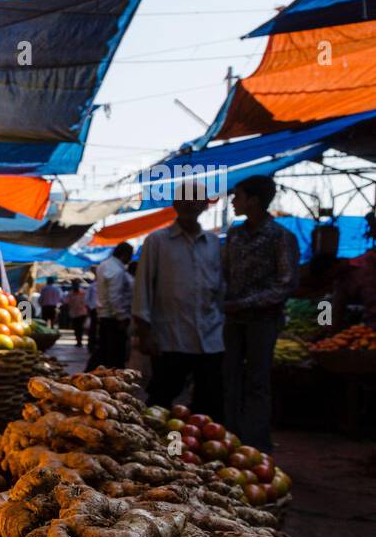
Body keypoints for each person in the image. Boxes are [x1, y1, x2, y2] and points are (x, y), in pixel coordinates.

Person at [222, 176, 300, 452]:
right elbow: (225, 273)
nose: (232, 201)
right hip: (232, 320)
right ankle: (228, 440)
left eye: (238, 196)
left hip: (264, 320)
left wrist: (245, 303)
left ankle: (255, 446)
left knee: (257, 381)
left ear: (253, 201)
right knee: (229, 379)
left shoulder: (281, 236)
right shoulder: (234, 234)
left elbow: (287, 283)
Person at [132, 193, 225, 420]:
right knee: (161, 401)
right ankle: (156, 450)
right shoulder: (157, 241)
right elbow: (143, 287)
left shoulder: (213, 243)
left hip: (209, 339)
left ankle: (201, 452)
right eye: (184, 198)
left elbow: (220, 287)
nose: (190, 203)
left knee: (208, 403)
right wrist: (145, 332)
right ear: (175, 205)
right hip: (170, 338)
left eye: (196, 199)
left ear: (205, 205)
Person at [89, 243, 134, 369]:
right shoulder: (116, 270)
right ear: (125, 254)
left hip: (106, 314)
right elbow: (115, 296)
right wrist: (121, 316)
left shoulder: (105, 265)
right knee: (113, 355)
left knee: (104, 351)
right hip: (113, 317)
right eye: (130, 255)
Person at [63, 281, 89, 347]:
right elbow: (66, 302)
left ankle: (79, 341)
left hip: (82, 313)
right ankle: (78, 341)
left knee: (79, 328)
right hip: (74, 314)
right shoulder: (70, 294)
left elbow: (87, 302)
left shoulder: (83, 293)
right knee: (77, 328)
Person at [84, 276, 100, 353]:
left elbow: (86, 300)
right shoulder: (92, 286)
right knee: (93, 329)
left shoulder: (93, 286)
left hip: (100, 310)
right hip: (95, 310)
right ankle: (92, 346)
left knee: (95, 329)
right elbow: (86, 300)